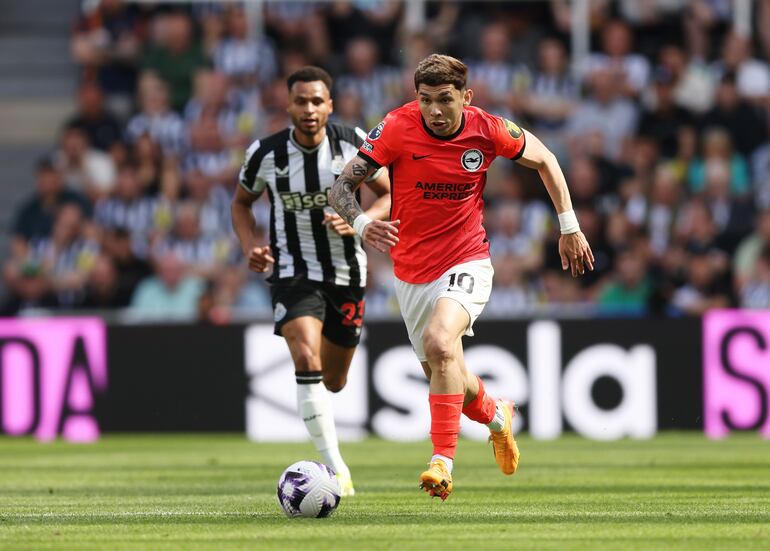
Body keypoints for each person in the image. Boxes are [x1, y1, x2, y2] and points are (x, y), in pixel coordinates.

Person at [330, 54, 593, 500]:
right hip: (411, 272)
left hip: (467, 260)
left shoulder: (487, 129)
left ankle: (442, 463)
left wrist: (569, 226)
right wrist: (361, 224)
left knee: (439, 342)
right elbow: (341, 188)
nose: (434, 110)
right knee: (446, 368)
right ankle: (497, 417)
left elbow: (546, 158)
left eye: (445, 100)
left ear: (465, 97)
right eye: (426, 100)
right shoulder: (396, 127)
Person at [231, 66, 392, 497]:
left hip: (346, 274)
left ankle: (330, 448)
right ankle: (337, 469)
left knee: (334, 380)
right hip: (292, 271)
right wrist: (250, 246)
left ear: (330, 105)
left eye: (317, 101)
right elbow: (241, 204)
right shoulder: (265, 154)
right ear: (288, 105)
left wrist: (359, 221)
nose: (309, 109)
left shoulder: (350, 143)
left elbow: (389, 193)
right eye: (301, 101)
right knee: (305, 355)